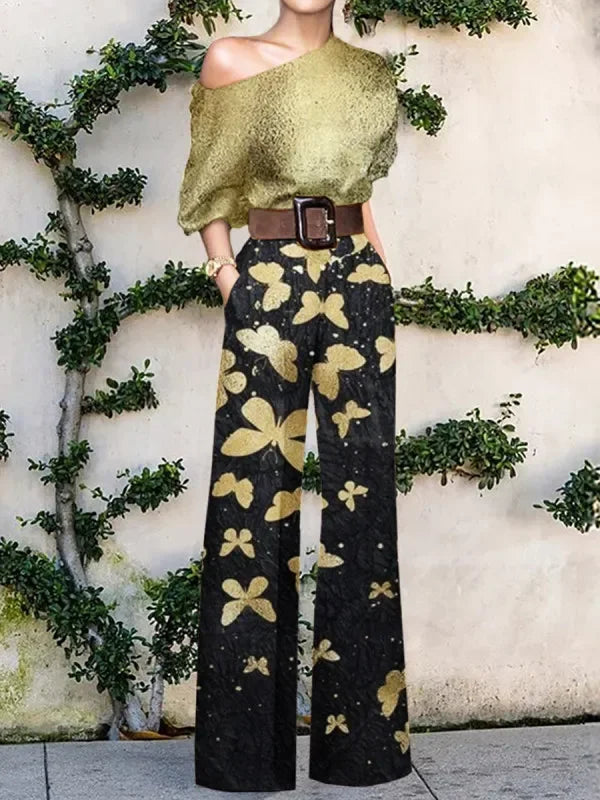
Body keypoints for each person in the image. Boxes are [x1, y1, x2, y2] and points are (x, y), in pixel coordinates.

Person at [177, 0, 411, 791]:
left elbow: (361, 195)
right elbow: (211, 185)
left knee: (363, 500)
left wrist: (379, 274)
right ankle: (244, 757)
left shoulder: (370, 75)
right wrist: (228, 276)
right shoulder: (231, 61)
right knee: (251, 497)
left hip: (358, 281)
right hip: (267, 279)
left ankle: (363, 749)